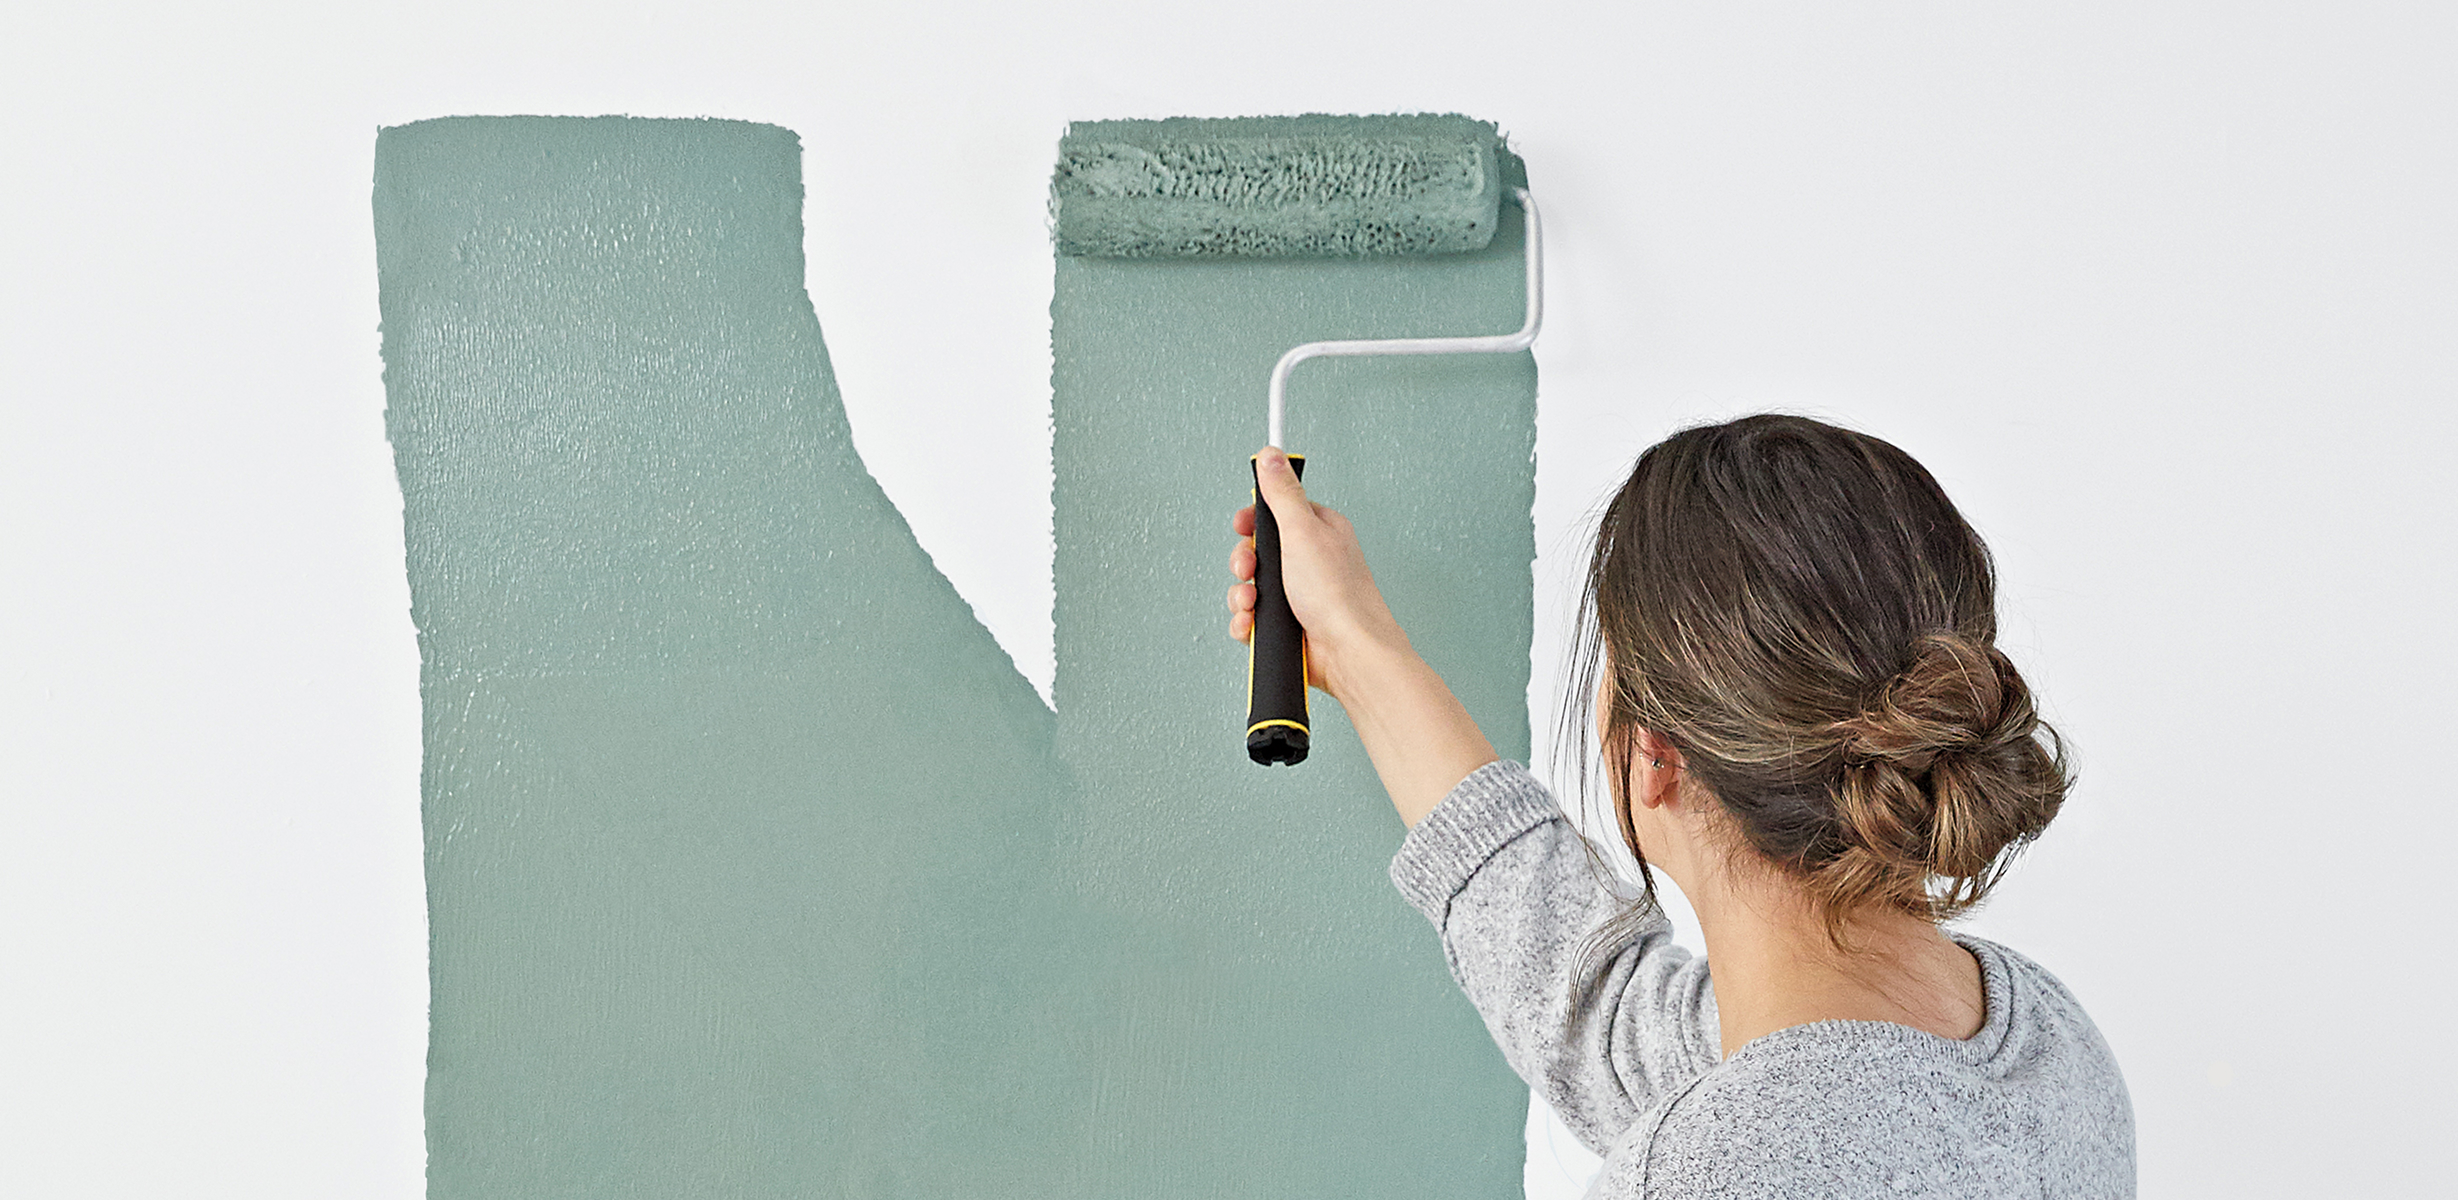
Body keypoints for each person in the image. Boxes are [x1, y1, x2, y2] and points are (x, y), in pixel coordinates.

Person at [1227, 414, 2133, 1198]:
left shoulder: (1702, 1174)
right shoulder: (2047, 1046)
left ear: (1654, 756)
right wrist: (1350, 640)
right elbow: (1609, 1026)